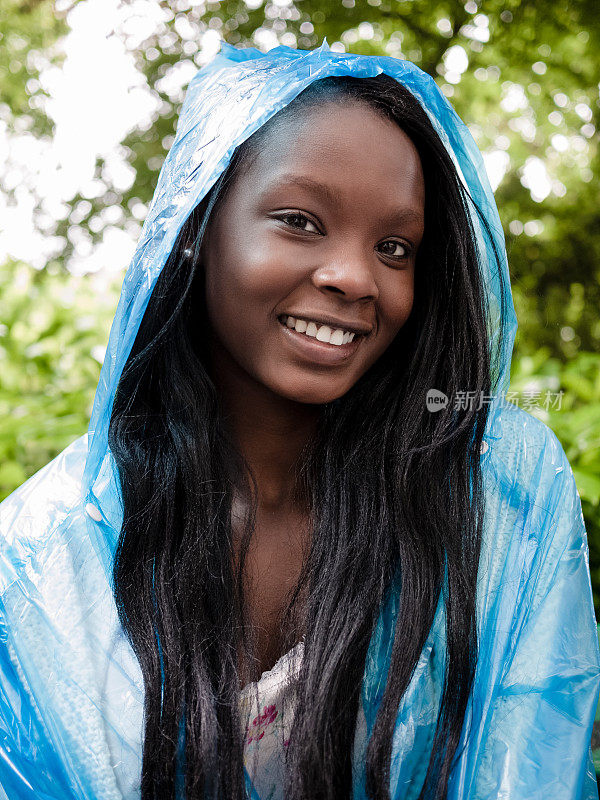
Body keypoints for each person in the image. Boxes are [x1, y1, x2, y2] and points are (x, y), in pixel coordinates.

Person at [0, 39, 598, 800]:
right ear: (197, 226)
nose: (354, 277)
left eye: (394, 247)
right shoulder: (41, 561)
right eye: (299, 220)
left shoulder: (500, 497)